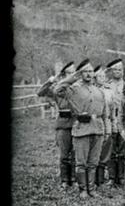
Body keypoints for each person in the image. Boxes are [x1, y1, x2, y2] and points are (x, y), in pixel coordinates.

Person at [54, 59, 108, 198]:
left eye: (91, 71)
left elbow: (105, 112)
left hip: (97, 128)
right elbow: (57, 89)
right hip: (82, 128)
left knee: (93, 161)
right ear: (80, 73)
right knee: (81, 162)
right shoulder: (74, 89)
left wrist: (106, 130)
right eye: (85, 71)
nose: (89, 74)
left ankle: (92, 188)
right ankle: (83, 189)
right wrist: (72, 78)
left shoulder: (98, 90)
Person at [38, 61, 76, 189]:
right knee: (65, 154)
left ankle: (74, 179)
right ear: (64, 75)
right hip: (63, 125)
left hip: (78, 124)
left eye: (73, 72)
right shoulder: (56, 89)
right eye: (69, 73)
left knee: (76, 154)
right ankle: (65, 180)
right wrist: (50, 81)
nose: (71, 75)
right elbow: (41, 92)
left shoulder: (79, 87)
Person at [94, 65, 119, 191]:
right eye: (99, 76)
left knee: (106, 153)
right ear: (95, 77)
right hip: (95, 123)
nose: (102, 78)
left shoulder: (109, 91)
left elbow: (113, 111)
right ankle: (94, 180)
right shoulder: (92, 90)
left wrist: (113, 127)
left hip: (107, 124)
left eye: (104, 76)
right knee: (95, 152)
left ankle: (102, 180)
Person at [106, 59, 125, 187]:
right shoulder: (107, 85)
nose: (117, 72)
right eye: (115, 69)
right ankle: (112, 177)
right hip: (111, 119)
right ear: (111, 71)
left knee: (123, 150)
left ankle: (122, 176)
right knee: (111, 150)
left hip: (123, 120)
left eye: (119, 69)